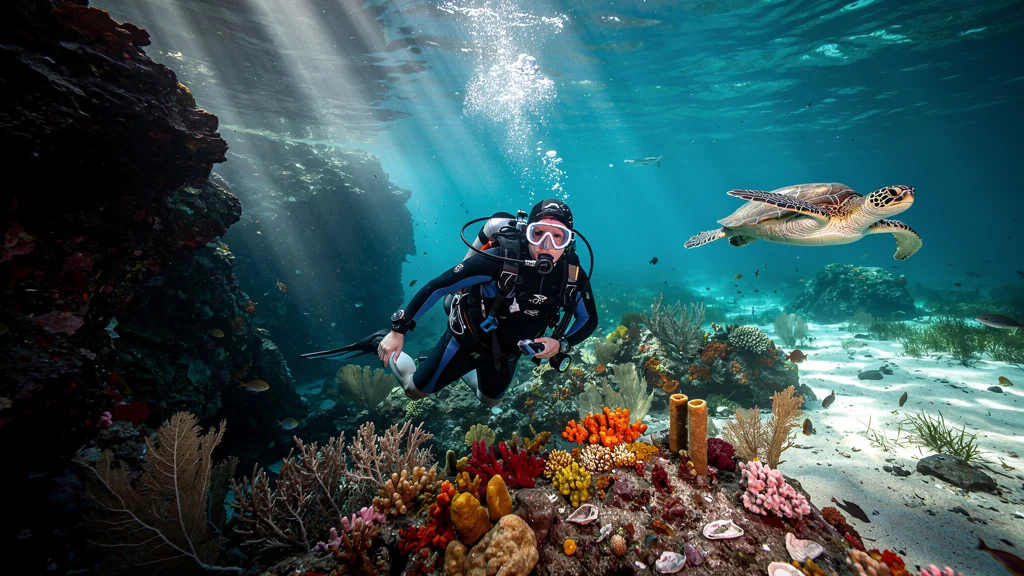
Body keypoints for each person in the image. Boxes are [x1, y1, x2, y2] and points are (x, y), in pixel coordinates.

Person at [304, 199, 598, 406]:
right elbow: (437, 286)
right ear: (527, 231)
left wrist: (561, 344)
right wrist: (398, 331)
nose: (547, 245)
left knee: (490, 400)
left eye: (558, 237)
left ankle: (459, 373)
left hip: (506, 353)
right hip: (466, 339)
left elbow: (589, 320)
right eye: (539, 233)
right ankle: (379, 342)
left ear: (569, 242)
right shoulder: (499, 259)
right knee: (413, 391)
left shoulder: (572, 276)